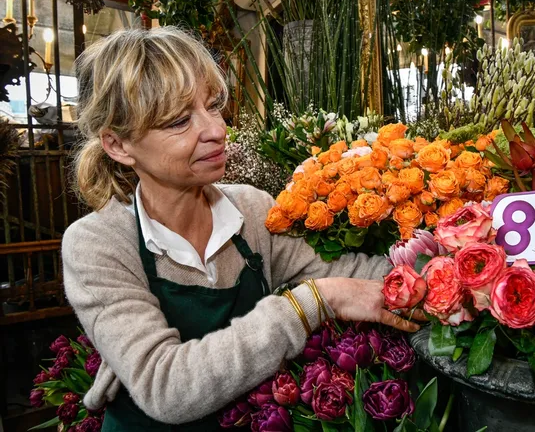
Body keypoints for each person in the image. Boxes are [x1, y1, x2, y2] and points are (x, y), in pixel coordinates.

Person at [62, 26, 420, 431]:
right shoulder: (97, 244)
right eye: (179, 120)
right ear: (118, 145)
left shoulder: (249, 209)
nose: (216, 129)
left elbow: (348, 273)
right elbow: (167, 387)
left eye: (212, 105)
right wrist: (314, 302)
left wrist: (449, 269)